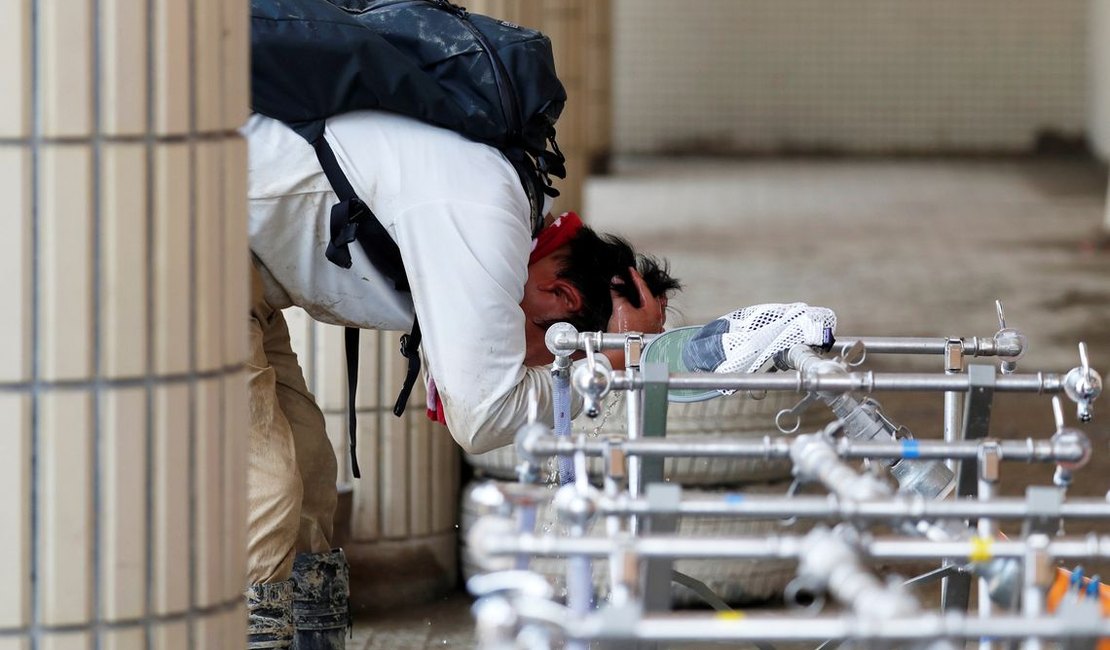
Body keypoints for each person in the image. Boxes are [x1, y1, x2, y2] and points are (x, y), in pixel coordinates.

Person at [243, 108, 681, 648]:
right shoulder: (486, 220)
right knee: (267, 492)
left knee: (311, 476)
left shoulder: (506, 214)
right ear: (562, 297)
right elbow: (481, 417)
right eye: (558, 354)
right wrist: (611, 359)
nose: (542, 366)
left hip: (249, 279)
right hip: (198, 238)